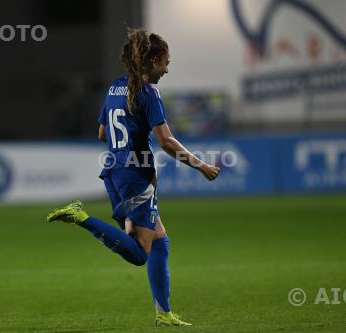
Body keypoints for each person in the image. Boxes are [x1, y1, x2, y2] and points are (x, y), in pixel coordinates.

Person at [46, 28, 220, 327]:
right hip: (135, 179)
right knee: (140, 254)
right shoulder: (148, 92)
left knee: (160, 242)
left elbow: (102, 133)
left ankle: (163, 313)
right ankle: (81, 217)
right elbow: (165, 141)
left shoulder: (116, 86)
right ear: (153, 60)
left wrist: (123, 145)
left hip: (114, 171)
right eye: (165, 62)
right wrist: (201, 166)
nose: (167, 69)